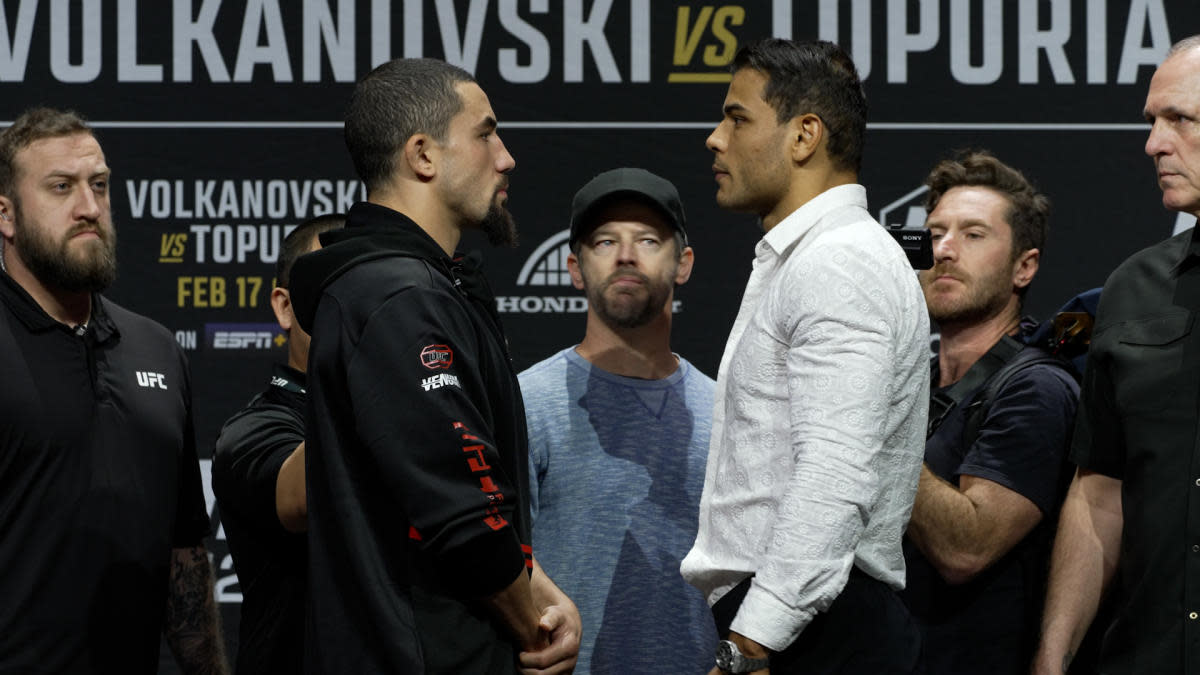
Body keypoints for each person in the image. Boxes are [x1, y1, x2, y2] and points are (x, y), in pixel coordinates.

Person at [287, 58, 580, 674]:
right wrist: (534, 629)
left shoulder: (411, 287)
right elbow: (464, 511)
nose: (506, 157)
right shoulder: (399, 298)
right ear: (422, 155)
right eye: (485, 133)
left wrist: (533, 581)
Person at [679, 39, 929, 674]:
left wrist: (754, 641)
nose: (715, 138)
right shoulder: (815, 256)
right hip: (806, 618)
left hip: (815, 630)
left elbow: (834, 474)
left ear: (803, 136)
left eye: (737, 118)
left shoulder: (837, 262)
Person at [0, 107, 226, 673]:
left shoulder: (156, 348)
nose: (89, 208)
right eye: (61, 188)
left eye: (99, 185)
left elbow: (184, 556)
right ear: (5, 215)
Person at [1032, 35, 1200, 675]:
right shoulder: (1131, 288)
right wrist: (1051, 659)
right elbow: (1100, 487)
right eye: (1152, 122)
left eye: (1179, 119)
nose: (1154, 143)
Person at [520, 167, 718, 674]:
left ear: (684, 264)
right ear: (575, 268)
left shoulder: (726, 412)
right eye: (605, 240)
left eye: (648, 239)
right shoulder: (527, 401)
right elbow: (495, 559)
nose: (626, 254)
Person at [898, 152, 1078, 674]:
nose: (945, 251)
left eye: (973, 235)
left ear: (1025, 266)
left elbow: (966, 548)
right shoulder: (913, 380)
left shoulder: (1037, 387)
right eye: (935, 233)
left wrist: (866, 423)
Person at [212, 214, 344, 673]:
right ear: (285, 307)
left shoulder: (412, 410)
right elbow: (304, 498)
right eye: (328, 286)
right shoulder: (254, 431)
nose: (347, 305)